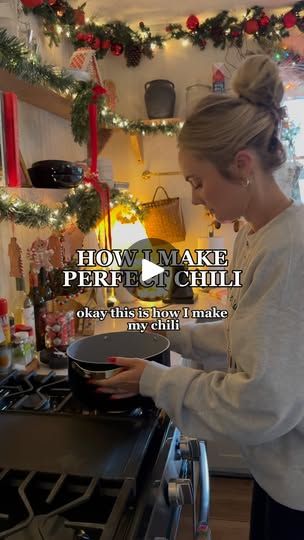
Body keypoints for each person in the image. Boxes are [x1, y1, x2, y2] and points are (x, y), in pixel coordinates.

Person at [88, 55, 304, 540]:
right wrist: (166, 330)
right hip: (279, 472)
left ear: (243, 166)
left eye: (197, 181)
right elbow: (243, 335)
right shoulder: (256, 234)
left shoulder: (290, 251)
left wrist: (157, 381)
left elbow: (263, 402)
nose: (198, 197)